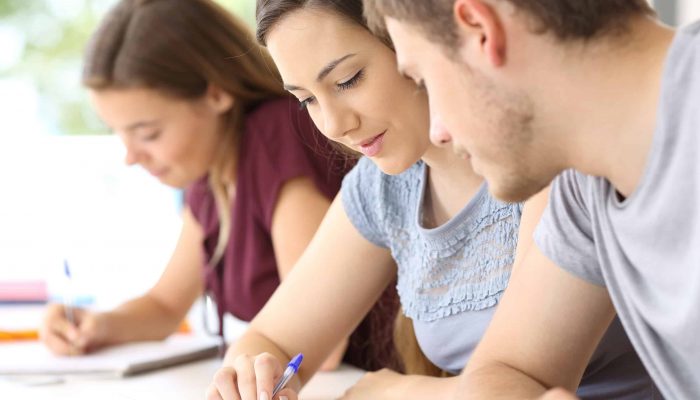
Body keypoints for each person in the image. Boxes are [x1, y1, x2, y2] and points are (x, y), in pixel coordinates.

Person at [204, 1, 653, 399]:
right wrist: (251, 377)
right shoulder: (384, 188)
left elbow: (519, 382)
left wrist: (393, 392)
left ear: (407, 37)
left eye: (348, 79)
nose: (335, 125)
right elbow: (274, 337)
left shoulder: (546, 159)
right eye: (306, 101)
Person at [364, 0, 697, 398]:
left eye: (424, 80)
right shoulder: (584, 182)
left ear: (480, 28)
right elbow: (510, 370)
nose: (438, 132)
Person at [38, 0, 393, 373]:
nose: (130, 156)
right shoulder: (212, 172)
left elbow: (324, 342)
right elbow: (164, 306)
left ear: (216, 94)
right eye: (119, 133)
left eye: (148, 133)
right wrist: (97, 325)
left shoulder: (277, 137)